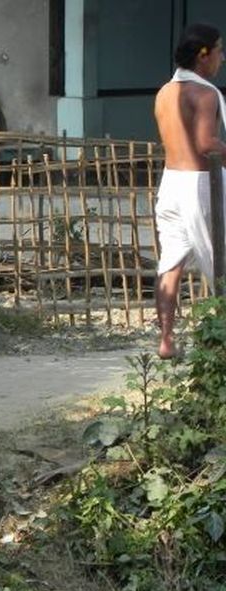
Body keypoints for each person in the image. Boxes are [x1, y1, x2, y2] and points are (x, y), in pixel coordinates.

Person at [155, 23, 226, 359]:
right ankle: (221, 338)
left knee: (170, 264)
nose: (222, 58)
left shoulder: (164, 93)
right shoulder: (205, 94)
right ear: (204, 55)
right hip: (199, 185)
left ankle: (166, 340)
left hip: (171, 183)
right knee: (220, 261)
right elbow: (206, 144)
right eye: (220, 50)